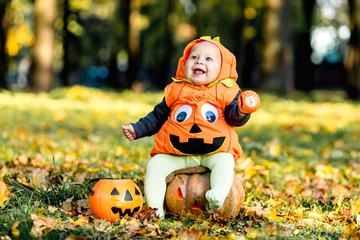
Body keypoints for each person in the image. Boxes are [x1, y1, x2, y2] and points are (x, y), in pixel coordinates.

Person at [122, 36, 257, 218]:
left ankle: (218, 193)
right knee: (155, 165)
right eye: (194, 57)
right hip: (177, 153)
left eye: (208, 59)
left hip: (213, 152)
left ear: (222, 68)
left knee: (226, 161)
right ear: (184, 64)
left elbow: (234, 118)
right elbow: (157, 116)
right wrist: (138, 129)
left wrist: (241, 111)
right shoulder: (176, 90)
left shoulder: (227, 91)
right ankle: (155, 209)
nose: (199, 61)